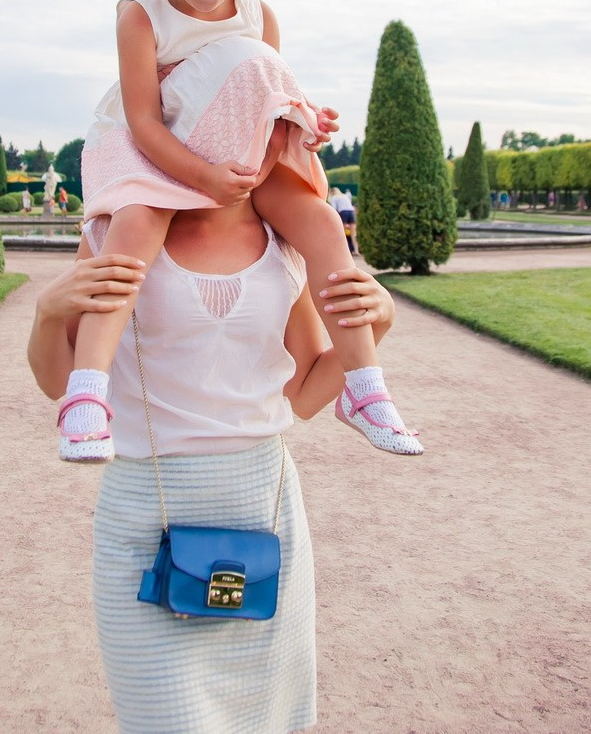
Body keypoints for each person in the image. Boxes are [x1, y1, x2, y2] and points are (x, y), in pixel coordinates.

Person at [28, 122, 400, 733]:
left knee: (266, 720)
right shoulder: (119, 229)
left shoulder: (286, 245)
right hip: (145, 513)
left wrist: (377, 326)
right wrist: (47, 315)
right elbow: (57, 383)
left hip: (262, 507)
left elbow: (306, 392)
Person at [63, 0, 420, 463]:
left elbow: (268, 98)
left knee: (322, 221)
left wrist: (306, 122)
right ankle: (87, 392)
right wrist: (201, 176)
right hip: (153, 153)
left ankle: (363, 385)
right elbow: (145, 121)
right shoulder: (140, 15)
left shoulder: (259, 16)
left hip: (236, 151)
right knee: (133, 229)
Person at [329, 187, 358, 254]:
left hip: (344, 213)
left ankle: (344, 252)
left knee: (343, 234)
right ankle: (356, 251)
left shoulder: (334, 197)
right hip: (351, 212)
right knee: (353, 234)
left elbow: (334, 209)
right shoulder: (345, 196)